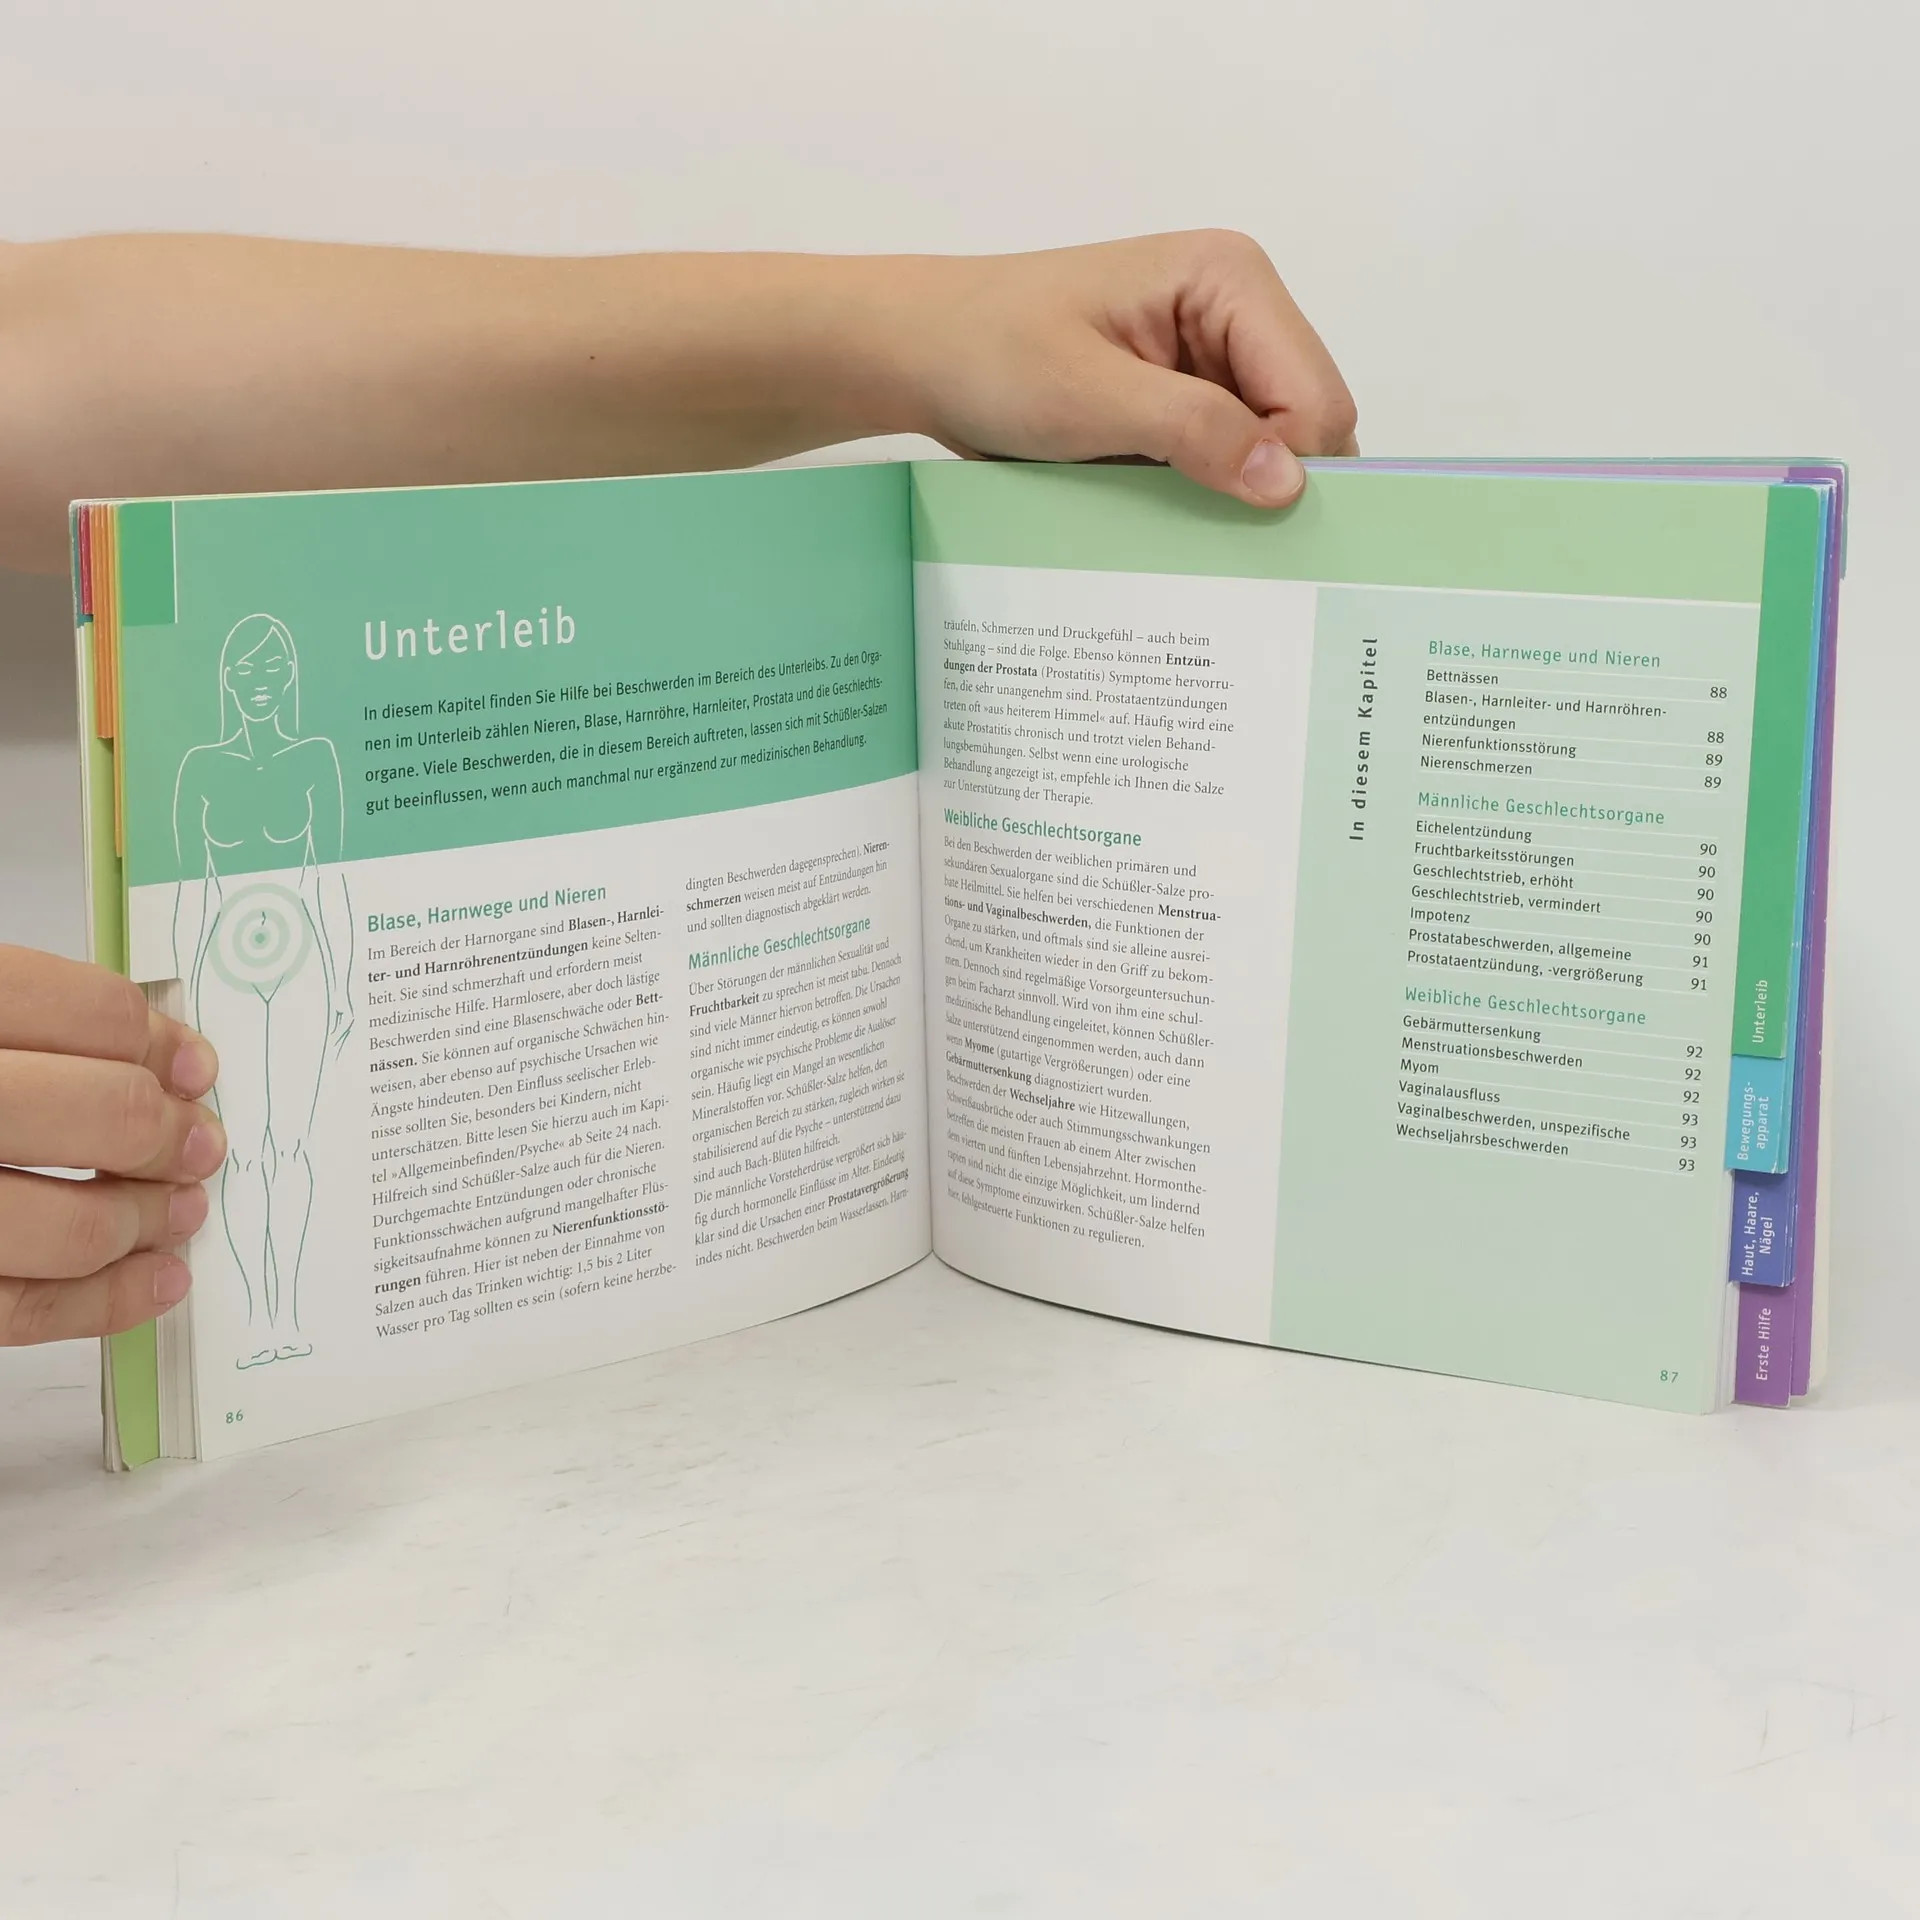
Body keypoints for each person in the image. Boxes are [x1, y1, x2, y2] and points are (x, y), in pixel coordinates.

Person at [0, 227, 1358, 1346]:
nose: (252, 691)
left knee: (285, 1151)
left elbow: (49, 357)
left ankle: (282, 1314)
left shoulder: (297, 758)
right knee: (254, 1161)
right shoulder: (228, 768)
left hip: (297, 977)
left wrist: (924, 331)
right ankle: (280, 1325)